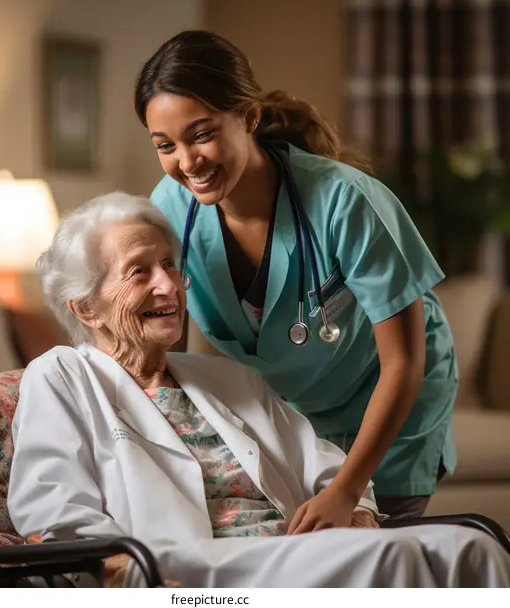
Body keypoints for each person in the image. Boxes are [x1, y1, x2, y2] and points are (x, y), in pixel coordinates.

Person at [7, 192, 510, 588]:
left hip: (288, 549)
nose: (169, 286)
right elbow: (54, 509)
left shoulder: (225, 377)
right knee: (396, 559)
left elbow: (323, 467)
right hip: (190, 569)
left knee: (474, 547)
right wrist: (117, 572)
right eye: (140, 272)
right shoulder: (61, 376)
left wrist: (356, 510)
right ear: (85, 308)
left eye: (170, 266)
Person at [135, 30, 458, 523]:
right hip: (292, 411)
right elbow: (165, 355)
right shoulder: (170, 212)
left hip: (390, 397)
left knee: (379, 553)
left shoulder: (345, 202)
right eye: (166, 145)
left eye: (201, 134)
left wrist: (346, 490)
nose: (186, 162)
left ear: (249, 116)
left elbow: (404, 363)